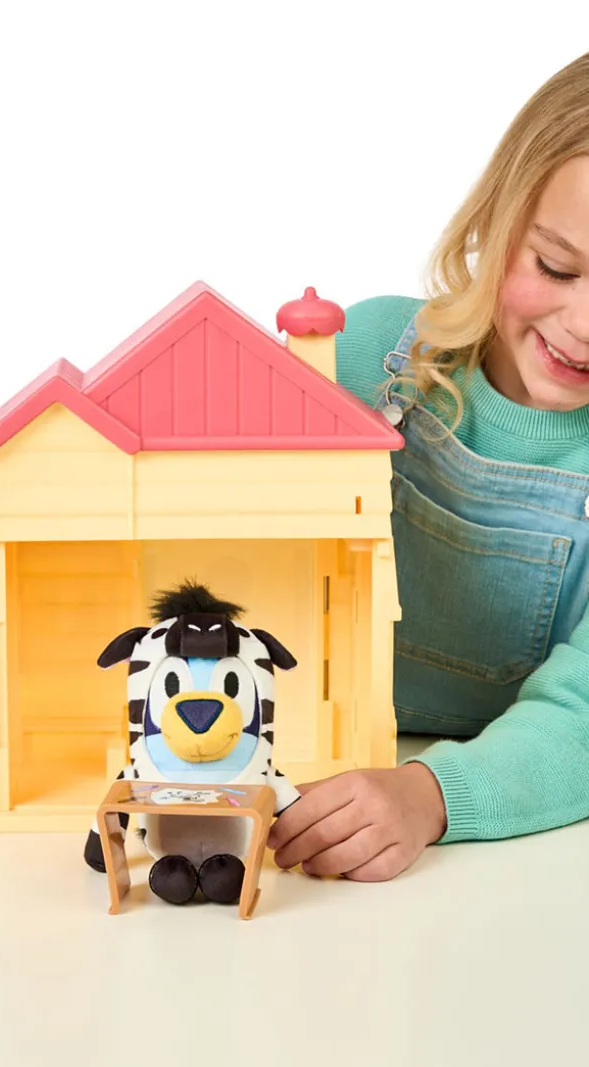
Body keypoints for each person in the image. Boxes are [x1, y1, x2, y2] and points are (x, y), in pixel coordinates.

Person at [267, 51, 589, 881]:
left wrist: (430, 794)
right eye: (557, 267)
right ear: (498, 220)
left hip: (497, 838)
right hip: (285, 760)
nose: (584, 323)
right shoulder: (368, 359)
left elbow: (583, 713)